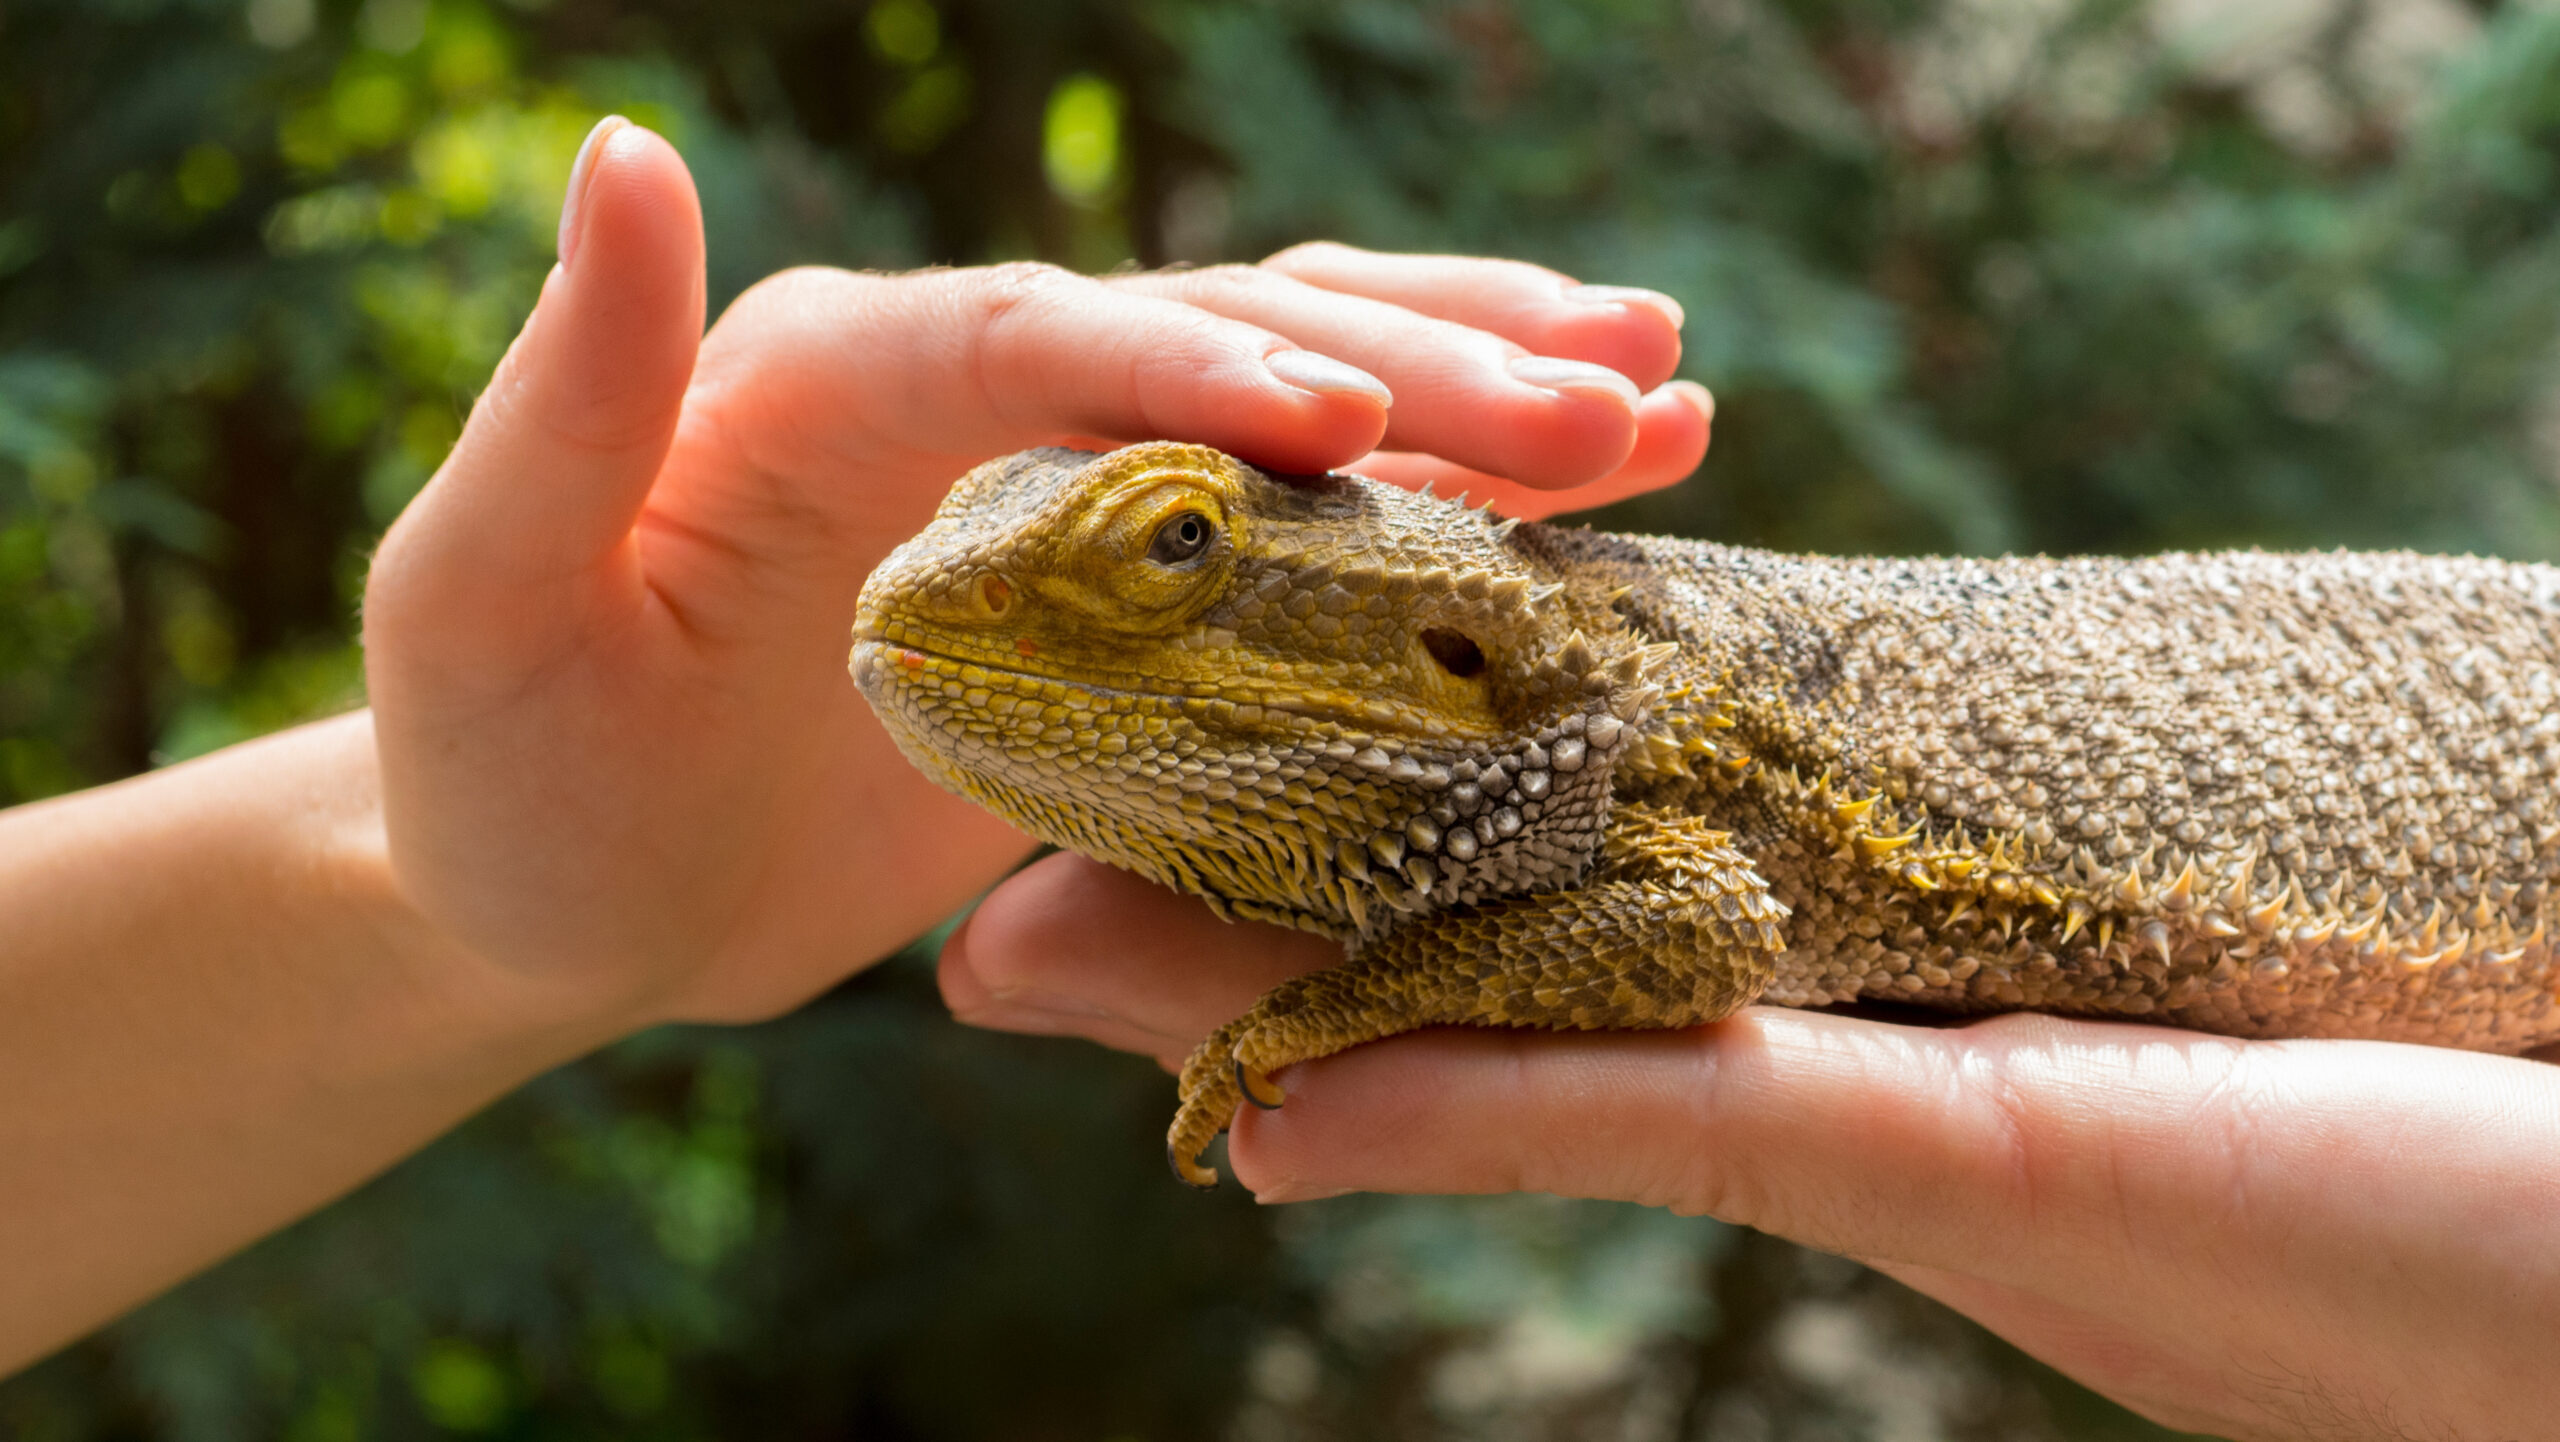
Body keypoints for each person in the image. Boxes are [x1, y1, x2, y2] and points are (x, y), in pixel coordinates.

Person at [1, 118, 2551, 1442]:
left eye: (1165, 551)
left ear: (1444, 629)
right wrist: (458, 905)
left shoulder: (1606, 729)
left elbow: (1682, 927)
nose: (935, 621)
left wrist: (1344, 1008)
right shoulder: (1540, 716)